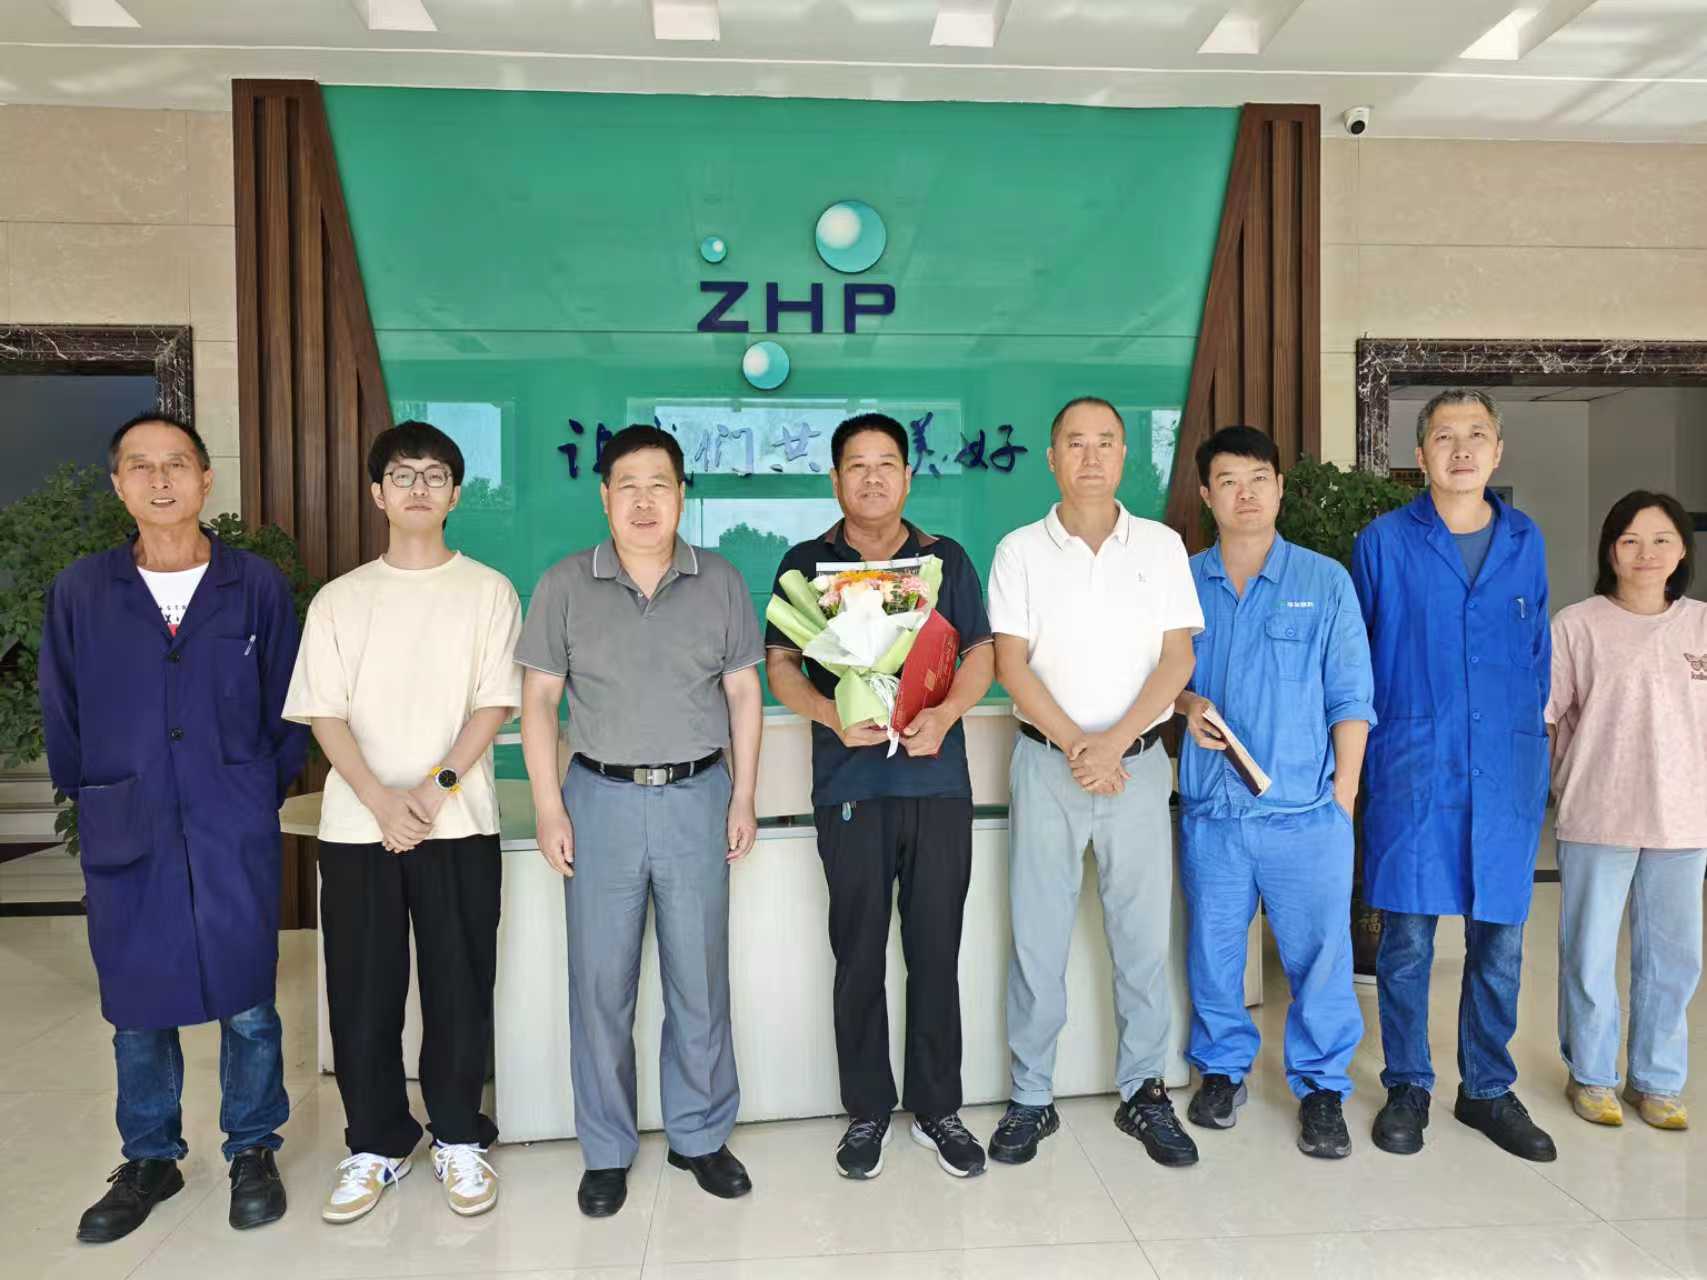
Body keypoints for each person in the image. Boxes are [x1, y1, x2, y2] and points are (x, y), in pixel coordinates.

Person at [39, 412, 308, 1243]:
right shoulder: (82, 591)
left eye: (177, 464)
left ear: (205, 479)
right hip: (129, 817)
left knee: (248, 997)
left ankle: (252, 1148)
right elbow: (62, 711)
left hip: (230, 818)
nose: (161, 481)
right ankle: (150, 1157)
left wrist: (254, 788)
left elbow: (289, 704)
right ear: (118, 484)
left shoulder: (253, 585)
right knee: (137, 1003)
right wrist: (96, 795)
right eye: (141, 466)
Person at [516, 424, 764, 1218]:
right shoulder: (564, 583)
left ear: (682, 494)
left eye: (660, 485)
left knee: (700, 979)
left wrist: (743, 795)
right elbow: (538, 701)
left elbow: (744, 693)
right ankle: (606, 1150)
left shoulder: (720, 580)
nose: (644, 501)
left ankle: (699, 1135)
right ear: (604, 497)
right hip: (599, 800)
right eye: (628, 485)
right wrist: (549, 805)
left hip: (697, 796)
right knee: (600, 986)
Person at [284, 421, 522, 1223]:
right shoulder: (340, 599)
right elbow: (324, 712)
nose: (419, 487)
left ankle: (458, 1135)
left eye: (434, 475)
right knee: (362, 993)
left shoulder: (488, 591)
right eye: (402, 474)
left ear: (455, 495)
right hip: (359, 830)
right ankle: (376, 1144)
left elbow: (493, 703)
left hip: (458, 824)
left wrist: (433, 789)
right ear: (377, 493)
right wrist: (383, 801)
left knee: (459, 987)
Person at [765, 413, 996, 1180]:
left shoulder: (943, 558)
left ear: (907, 476)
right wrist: (831, 714)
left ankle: (937, 1108)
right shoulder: (806, 563)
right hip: (850, 784)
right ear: (835, 480)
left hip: (936, 781)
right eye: (856, 465)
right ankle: (866, 1110)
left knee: (935, 950)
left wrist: (947, 713)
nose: (872, 477)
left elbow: (980, 653)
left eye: (886, 463)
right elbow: (781, 665)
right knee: (857, 953)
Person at [986, 395, 1203, 1168]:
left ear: (1123, 456)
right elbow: (1011, 664)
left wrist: (1111, 746)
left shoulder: (1162, 546)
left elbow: (1176, 658)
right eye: (1074, 443)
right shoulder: (1018, 550)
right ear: (1051, 458)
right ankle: (1030, 1096)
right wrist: (1081, 746)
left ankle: (1143, 1090)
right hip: (1046, 766)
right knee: (1036, 940)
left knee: (1141, 940)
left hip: (1136, 769)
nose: (1089, 456)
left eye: (1105, 442)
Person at [1352, 388, 1556, 1162]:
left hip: (1501, 768)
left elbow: (1534, 655)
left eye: (1476, 435)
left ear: (1497, 451)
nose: (1461, 448)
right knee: (1406, 941)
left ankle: (1486, 1089)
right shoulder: (1382, 541)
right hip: (1413, 764)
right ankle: (1407, 1083)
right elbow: (1358, 659)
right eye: (1444, 436)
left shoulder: (1525, 540)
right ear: (1420, 454)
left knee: (1498, 941)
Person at [1175, 427, 1371, 1159]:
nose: (1246, 494)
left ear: (1280, 487)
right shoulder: (1180, 583)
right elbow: (1153, 678)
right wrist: (1185, 704)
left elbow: (1351, 697)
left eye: (1258, 478)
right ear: (1206, 494)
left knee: (1319, 958)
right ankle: (1222, 1071)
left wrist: (1343, 800)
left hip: (1305, 815)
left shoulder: (1324, 581)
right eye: (1228, 481)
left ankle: (1321, 1089)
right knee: (1214, 952)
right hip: (1214, 814)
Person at [1548, 490, 1706, 1131]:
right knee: (1588, 955)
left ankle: (1658, 1081)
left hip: (1683, 820)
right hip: (1598, 812)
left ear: (1683, 550)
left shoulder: (1701, 625)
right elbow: (1548, 718)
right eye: (1631, 540)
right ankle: (1591, 1076)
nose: (1647, 553)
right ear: (1610, 551)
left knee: (1674, 958)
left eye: (1662, 539)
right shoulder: (1576, 625)